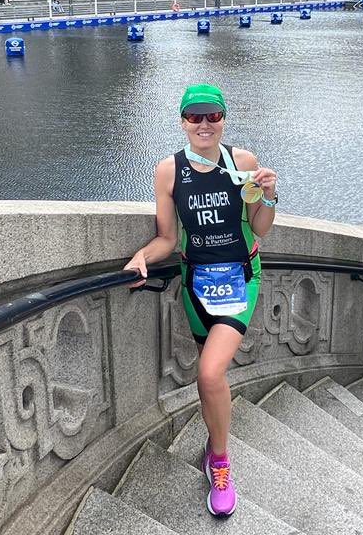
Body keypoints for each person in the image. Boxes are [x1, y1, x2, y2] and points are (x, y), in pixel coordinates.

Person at [124, 85, 277, 519]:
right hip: (196, 284)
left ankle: (220, 461)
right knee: (208, 381)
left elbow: (260, 226)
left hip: (240, 278)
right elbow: (168, 238)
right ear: (182, 121)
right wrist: (141, 257)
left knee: (210, 373)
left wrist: (268, 194)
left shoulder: (241, 162)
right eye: (195, 116)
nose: (204, 124)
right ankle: (215, 437)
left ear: (224, 119)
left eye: (213, 116)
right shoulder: (168, 172)